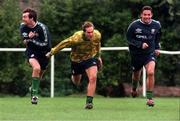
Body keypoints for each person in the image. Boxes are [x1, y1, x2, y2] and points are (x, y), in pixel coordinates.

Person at [46, 21, 102, 109]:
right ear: (84, 31)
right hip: (76, 60)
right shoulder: (77, 38)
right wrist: (51, 53)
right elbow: (64, 44)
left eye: (92, 32)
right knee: (77, 82)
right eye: (88, 32)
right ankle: (74, 75)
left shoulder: (97, 35)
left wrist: (99, 56)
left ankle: (89, 103)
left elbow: (98, 44)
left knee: (93, 77)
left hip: (89, 58)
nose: (91, 34)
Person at [126, 6, 161, 107]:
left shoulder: (157, 25)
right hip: (136, 54)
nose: (147, 16)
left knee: (150, 72)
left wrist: (157, 47)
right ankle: (133, 89)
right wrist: (139, 44)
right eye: (145, 14)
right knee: (136, 75)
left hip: (149, 54)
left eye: (149, 15)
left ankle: (150, 98)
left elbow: (158, 36)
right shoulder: (134, 25)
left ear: (151, 15)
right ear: (141, 15)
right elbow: (128, 38)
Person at [20, 8, 51, 104]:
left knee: (40, 74)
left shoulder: (42, 27)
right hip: (32, 51)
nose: (23, 18)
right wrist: (29, 38)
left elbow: (46, 44)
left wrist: (31, 39)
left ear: (31, 18)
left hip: (45, 53)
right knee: (36, 68)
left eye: (25, 17)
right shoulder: (23, 27)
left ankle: (33, 88)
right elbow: (25, 41)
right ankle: (34, 96)